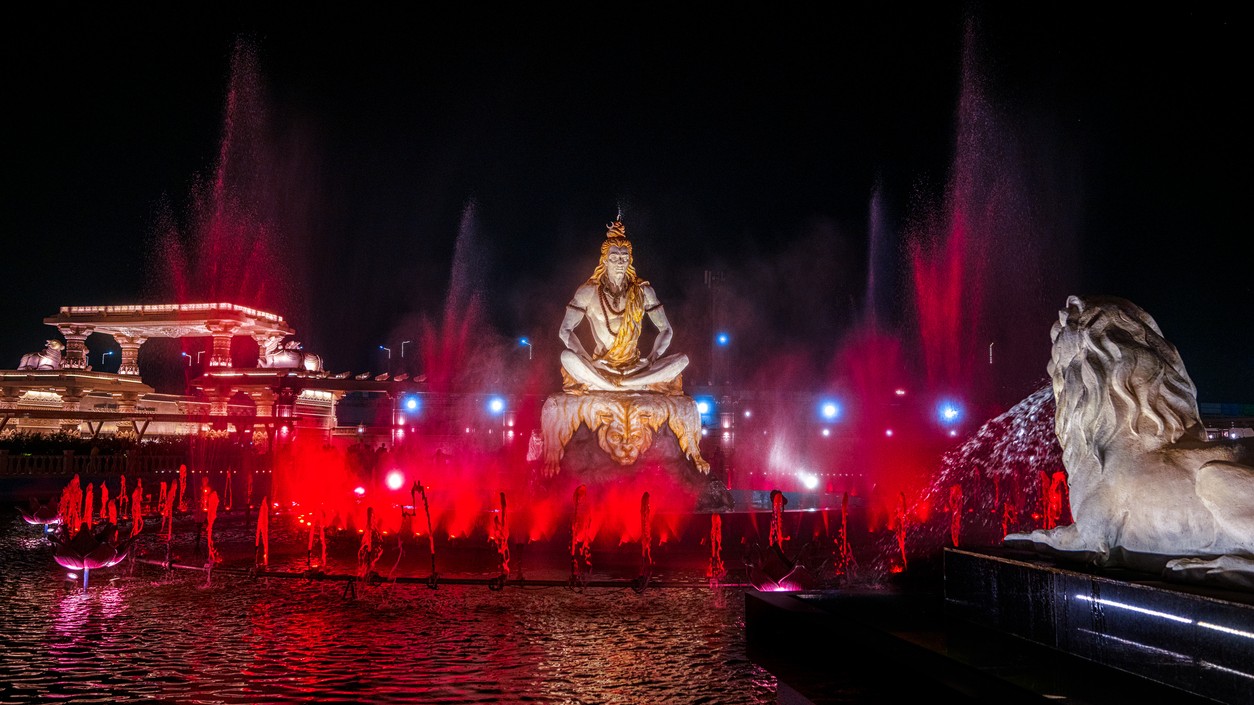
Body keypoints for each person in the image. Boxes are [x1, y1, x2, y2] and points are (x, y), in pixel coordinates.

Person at [558, 219, 688, 392]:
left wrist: (652, 357)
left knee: (682, 360)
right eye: (614, 258)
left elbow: (666, 330)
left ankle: (617, 385)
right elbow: (565, 330)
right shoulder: (588, 292)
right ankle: (615, 384)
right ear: (604, 261)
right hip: (601, 366)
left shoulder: (643, 292)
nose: (620, 263)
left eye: (624, 258)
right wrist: (586, 358)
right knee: (567, 357)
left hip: (635, 367)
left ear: (630, 261)